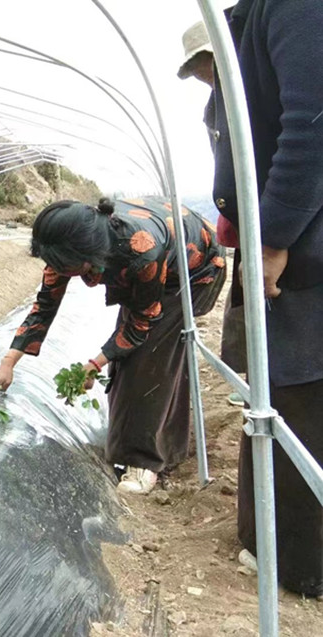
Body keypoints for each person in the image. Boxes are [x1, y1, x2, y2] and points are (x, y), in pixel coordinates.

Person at [0, 196, 226, 495]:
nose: (59, 271)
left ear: (88, 257)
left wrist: (94, 364)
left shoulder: (142, 250)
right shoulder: (69, 245)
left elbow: (142, 321)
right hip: (155, 262)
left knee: (149, 360)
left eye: (67, 267)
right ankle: (154, 443)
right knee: (131, 357)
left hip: (195, 271)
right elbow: (44, 305)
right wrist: (8, 362)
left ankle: (145, 462)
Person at [211, 0, 323, 597]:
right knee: (275, 391)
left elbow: (313, 123)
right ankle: (272, 545)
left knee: (300, 398)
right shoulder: (256, 13)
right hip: (286, 247)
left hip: (303, 253)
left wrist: (275, 235)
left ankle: (304, 566)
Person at [178, 20, 247, 402]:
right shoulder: (217, 104)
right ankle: (253, 378)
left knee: (264, 299)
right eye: (193, 70)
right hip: (240, 225)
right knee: (245, 301)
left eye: (199, 65)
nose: (199, 76)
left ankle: (265, 382)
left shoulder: (248, 91)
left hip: (265, 225)